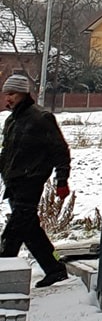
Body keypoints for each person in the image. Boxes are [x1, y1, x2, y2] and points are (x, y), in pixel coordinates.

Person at [0, 71, 72, 286]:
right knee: (30, 229)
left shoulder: (41, 118)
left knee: (13, 232)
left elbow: (60, 151)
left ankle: (4, 273)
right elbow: (7, 152)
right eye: (6, 94)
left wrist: (62, 180)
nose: (8, 98)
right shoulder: (12, 121)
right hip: (13, 182)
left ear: (23, 93)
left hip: (31, 181)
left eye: (12, 93)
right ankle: (54, 268)